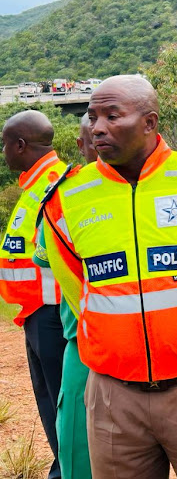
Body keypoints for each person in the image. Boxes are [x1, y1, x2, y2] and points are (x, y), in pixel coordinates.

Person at [40, 75, 177, 479]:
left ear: (149, 122)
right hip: (113, 396)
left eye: (112, 115)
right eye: (92, 117)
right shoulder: (65, 199)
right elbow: (75, 286)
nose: (97, 127)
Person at [0, 110, 67, 479]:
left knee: (62, 403)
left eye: (5, 145)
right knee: (48, 402)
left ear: (21, 145)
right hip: (35, 311)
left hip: (54, 313)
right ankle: (63, 466)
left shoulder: (55, 186)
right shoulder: (33, 187)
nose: (4, 152)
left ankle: (70, 470)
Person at [34, 114, 97, 479]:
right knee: (78, 447)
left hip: (94, 345)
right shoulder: (64, 198)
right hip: (83, 344)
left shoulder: (66, 195)